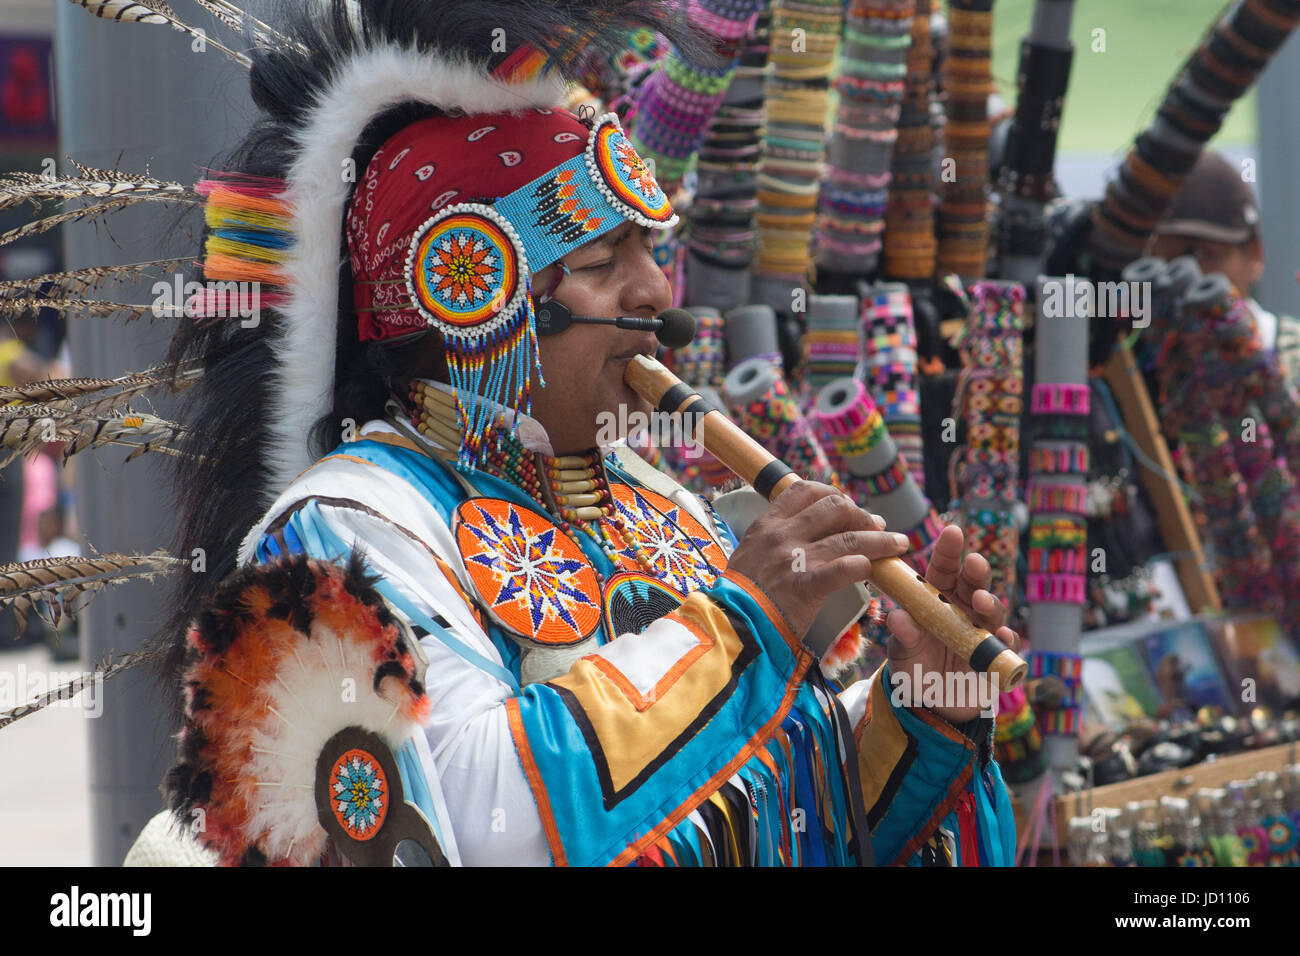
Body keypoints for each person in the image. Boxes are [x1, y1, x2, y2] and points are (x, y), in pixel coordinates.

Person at [145, 0, 1020, 867]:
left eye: (648, 251)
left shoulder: (656, 498)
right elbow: (484, 825)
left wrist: (925, 702)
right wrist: (742, 625)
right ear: (468, 302)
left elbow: (785, 809)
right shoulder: (349, 526)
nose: (653, 296)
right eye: (602, 262)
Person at [1147, 149, 1300, 382]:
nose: (1181, 281)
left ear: (1254, 254)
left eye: (1201, 254)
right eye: (1157, 259)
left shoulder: (1292, 358)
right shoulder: (1134, 372)